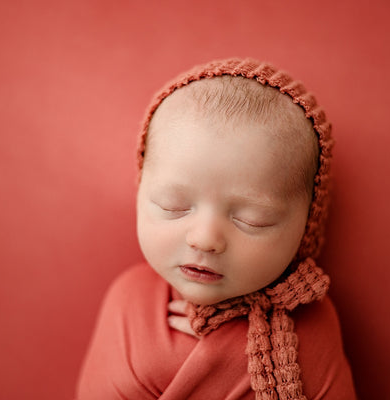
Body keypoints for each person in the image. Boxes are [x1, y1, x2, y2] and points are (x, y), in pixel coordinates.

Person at [76, 58, 357, 399]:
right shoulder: (128, 299)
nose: (205, 239)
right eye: (172, 206)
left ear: (306, 225)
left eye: (252, 220)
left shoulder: (310, 324)